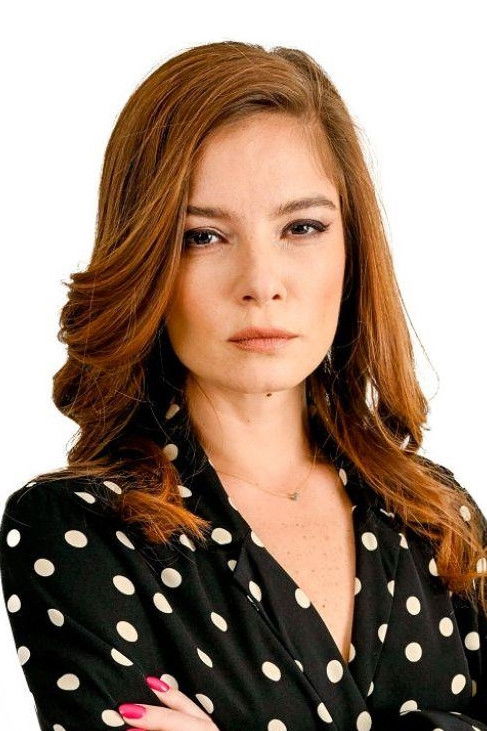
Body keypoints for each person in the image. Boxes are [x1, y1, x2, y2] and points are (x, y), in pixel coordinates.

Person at [1, 40, 486, 731]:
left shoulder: (436, 518)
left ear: (352, 249)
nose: (261, 282)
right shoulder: (79, 529)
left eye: (302, 227)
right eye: (202, 236)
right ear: (145, 259)